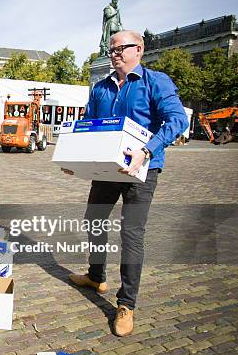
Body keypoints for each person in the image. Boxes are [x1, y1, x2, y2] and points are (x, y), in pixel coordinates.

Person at [64, 30, 188, 337]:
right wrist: (72, 158)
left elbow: (177, 120)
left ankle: (126, 304)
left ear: (139, 50)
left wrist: (146, 151)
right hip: (107, 170)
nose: (115, 53)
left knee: (131, 234)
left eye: (121, 48)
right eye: (112, 49)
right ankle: (96, 276)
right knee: (93, 220)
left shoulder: (155, 82)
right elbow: (89, 126)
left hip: (140, 171)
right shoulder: (100, 87)